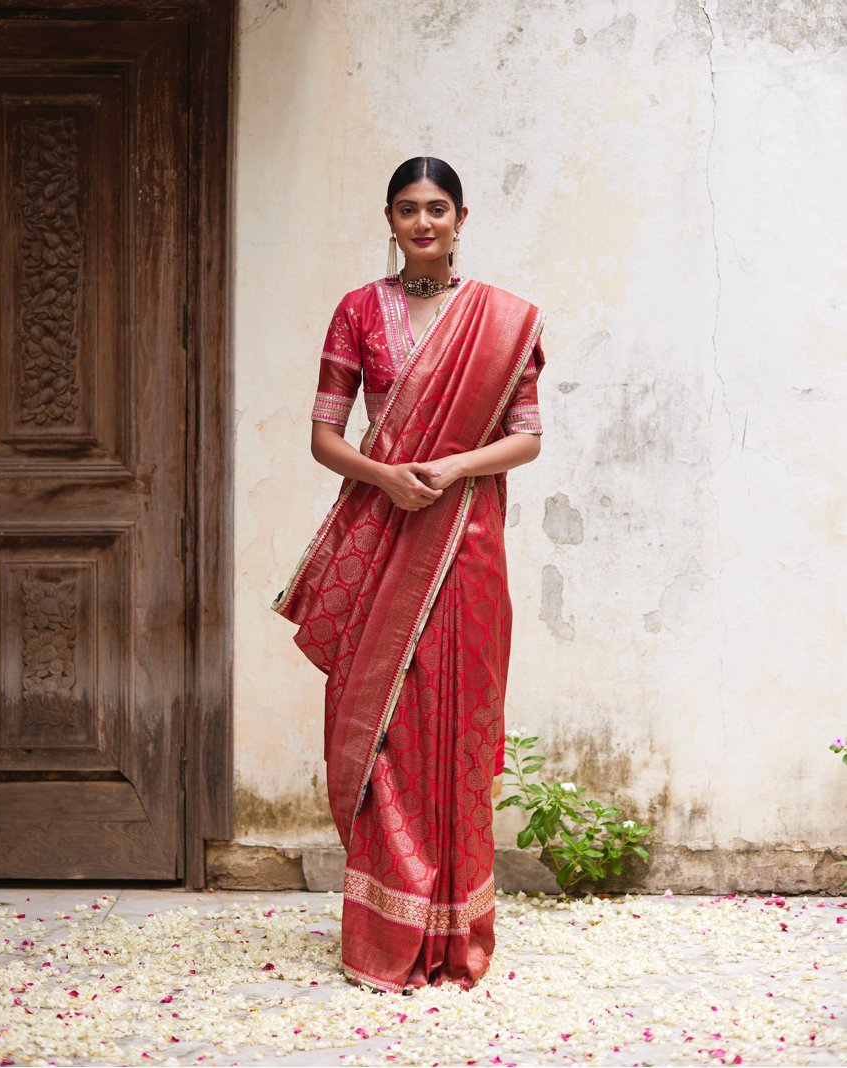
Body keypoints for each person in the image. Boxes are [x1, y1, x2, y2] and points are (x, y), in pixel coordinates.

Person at [272, 157, 545, 994]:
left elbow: (528, 436)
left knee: (453, 722)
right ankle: (387, 932)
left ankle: (455, 934)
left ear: (462, 216)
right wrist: (383, 476)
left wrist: (456, 464)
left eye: (436, 208)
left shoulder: (500, 320)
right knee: (381, 724)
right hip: (383, 533)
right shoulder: (359, 311)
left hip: (465, 540)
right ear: (388, 220)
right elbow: (324, 436)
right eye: (405, 210)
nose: (422, 223)